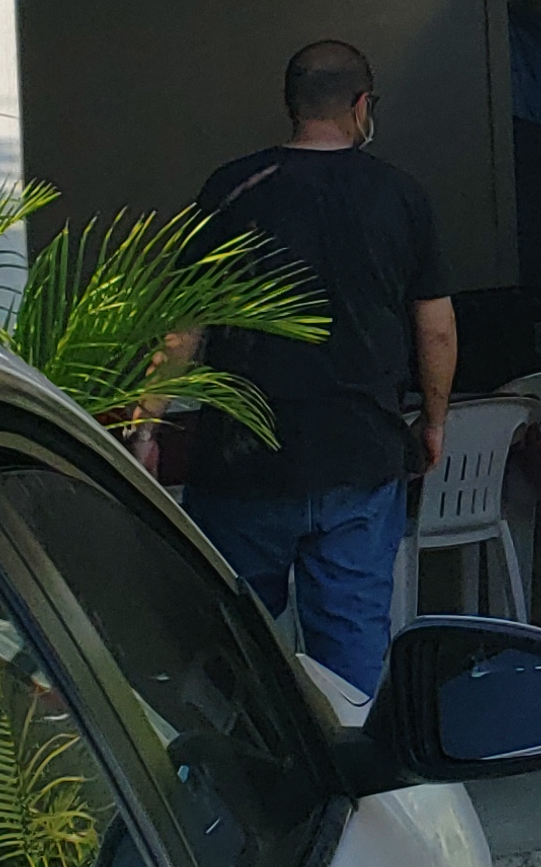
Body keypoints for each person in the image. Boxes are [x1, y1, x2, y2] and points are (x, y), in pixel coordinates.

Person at [175, 38, 454, 697]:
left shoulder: (232, 188)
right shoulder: (402, 197)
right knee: (351, 653)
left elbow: (183, 320)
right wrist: (434, 422)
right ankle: (353, 780)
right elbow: (435, 328)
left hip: (241, 457)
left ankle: (240, 783)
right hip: (358, 454)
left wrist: (147, 423)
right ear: (362, 106)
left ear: (290, 105)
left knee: (229, 648)